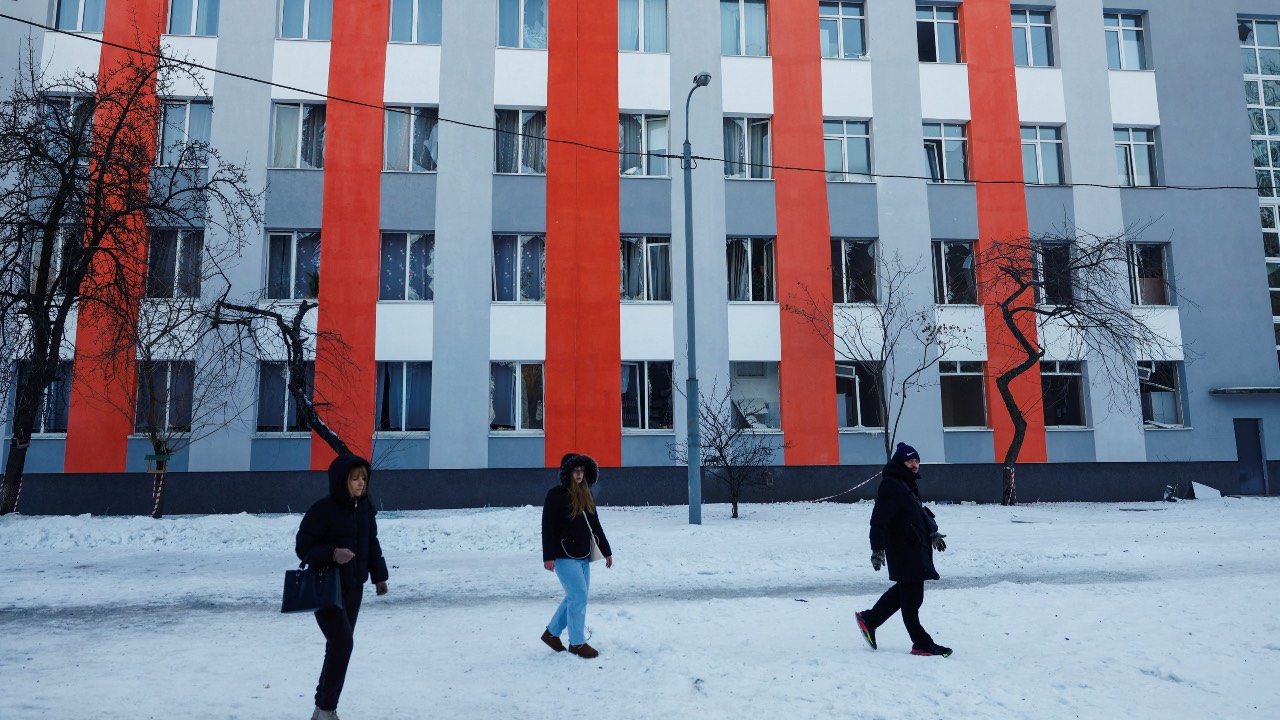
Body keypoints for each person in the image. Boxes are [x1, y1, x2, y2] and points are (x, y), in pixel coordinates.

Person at [296, 453, 390, 720]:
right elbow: (303, 547)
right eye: (355, 479)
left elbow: (371, 543)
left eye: (364, 478)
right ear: (342, 481)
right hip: (326, 586)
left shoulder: (365, 508)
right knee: (342, 643)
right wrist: (332, 554)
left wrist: (379, 576)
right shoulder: (322, 510)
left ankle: (323, 708)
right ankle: (325, 708)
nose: (361, 484)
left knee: (337, 646)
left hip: (354, 586)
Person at [856, 442, 952, 658]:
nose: (915, 464)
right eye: (910, 461)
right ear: (900, 462)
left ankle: (870, 619)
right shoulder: (892, 485)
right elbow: (878, 520)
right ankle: (922, 643)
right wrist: (876, 549)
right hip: (904, 550)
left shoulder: (906, 484)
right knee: (912, 600)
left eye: (917, 460)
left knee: (904, 593)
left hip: (914, 547)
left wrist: (932, 533)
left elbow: (916, 514)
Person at [541, 452, 613, 659]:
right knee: (578, 597)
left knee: (576, 597)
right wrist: (548, 557)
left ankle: (551, 633)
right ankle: (577, 643)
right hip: (563, 555)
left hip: (583, 555)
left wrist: (606, 551)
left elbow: (595, 525)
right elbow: (548, 527)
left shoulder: (586, 493)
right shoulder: (555, 495)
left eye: (582, 470)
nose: (579, 474)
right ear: (567, 472)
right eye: (575, 470)